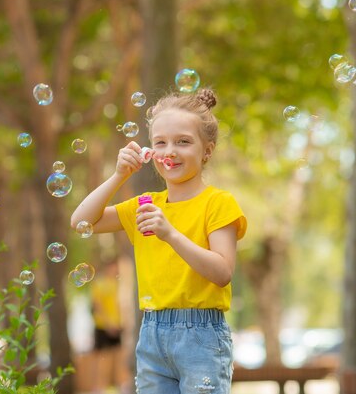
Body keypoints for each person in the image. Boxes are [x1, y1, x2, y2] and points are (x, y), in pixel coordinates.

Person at [70, 88, 247, 394]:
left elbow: (222, 272)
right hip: (151, 332)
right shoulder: (146, 204)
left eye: (183, 141)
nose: (170, 151)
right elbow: (81, 222)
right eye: (160, 142)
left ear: (207, 150)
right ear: (149, 151)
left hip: (202, 336)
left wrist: (171, 235)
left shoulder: (218, 203)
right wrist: (118, 176)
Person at [90, 258, 131, 394]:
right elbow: (98, 307)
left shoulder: (118, 284)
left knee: (119, 357)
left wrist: (122, 322)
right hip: (102, 326)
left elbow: (123, 306)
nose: (116, 270)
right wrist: (108, 325)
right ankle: (99, 388)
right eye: (114, 267)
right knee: (102, 359)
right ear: (108, 267)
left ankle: (122, 386)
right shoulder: (100, 283)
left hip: (118, 326)